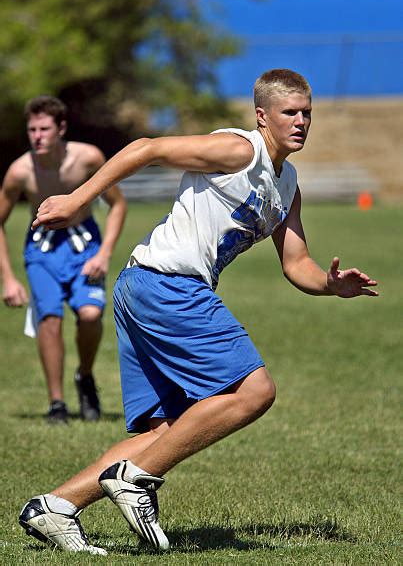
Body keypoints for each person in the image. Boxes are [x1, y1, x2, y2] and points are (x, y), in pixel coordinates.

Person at [18, 70, 378, 554]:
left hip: (142, 285)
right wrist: (78, 199)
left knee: (165, 430)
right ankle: (137, 479)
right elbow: (146, 147)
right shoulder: (239, 151)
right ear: (261, 116)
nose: (300, 122)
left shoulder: (287, 185)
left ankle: (54, 508)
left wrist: (332, 286)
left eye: (307, 113)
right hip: (168, 283)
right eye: (289, 112)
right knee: (255, 391)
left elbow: (296, 264)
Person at [0, 95, 127, 424]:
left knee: (89, 314)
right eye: (31, 129)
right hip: (42, 250)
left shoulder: (87, 158)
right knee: (50, 319)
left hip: (85, 244)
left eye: (44, 128)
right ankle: (56, 403)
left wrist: (105, 253)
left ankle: (84, 376)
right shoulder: (20, 172)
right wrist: (9, 278)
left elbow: (118, 205)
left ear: (61, 128)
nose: (37, 136)